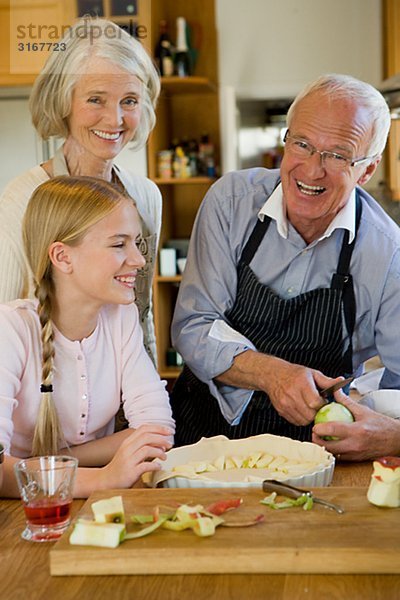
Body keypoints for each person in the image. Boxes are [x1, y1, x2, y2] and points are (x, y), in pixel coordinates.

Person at [171, 73, 400, 461]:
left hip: (317, 454)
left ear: (367, 170)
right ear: (285, 140)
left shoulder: (388, 253)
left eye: (338, 155)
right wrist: (273, 374)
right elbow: (193, 326)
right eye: (303, 145)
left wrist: (391, 434)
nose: (312, 170)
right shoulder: (230, 203)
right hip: (202, 437)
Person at [0, 176, 174, 498]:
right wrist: (103, 478)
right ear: (63, 257)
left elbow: (158, 432)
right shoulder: (9, 330)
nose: (138, 260)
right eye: (119, 244)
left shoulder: (122, 318)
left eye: (137, 243)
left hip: (88, 505)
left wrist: (44, 464)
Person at [0, 16, 161, 362]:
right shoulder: (24, 197)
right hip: (42, 395)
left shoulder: (146, 196)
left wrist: (148, 393)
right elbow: (4, 319)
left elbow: (142, 311)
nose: (115, 119)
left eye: (129, 101)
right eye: (96, 100)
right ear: (63, 101)